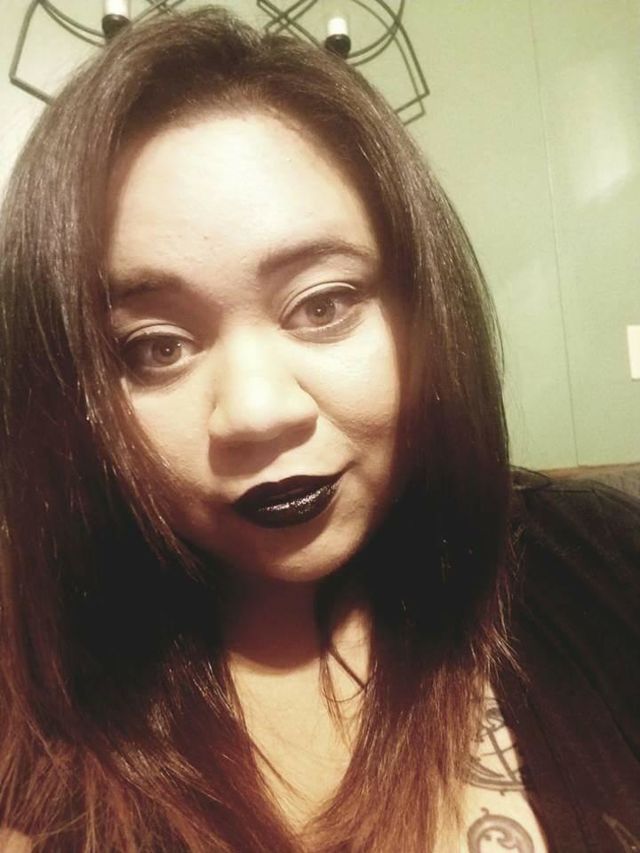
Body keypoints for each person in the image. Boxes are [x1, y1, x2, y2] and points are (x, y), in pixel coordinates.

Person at [0, 7, 637, 852]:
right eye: (155, 348)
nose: (258, 412)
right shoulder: (34, 706)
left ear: (422, 306)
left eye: (324, 304)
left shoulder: (605, 569)